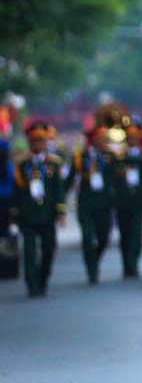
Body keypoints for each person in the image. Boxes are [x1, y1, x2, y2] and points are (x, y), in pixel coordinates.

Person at [14, 119, 67, 297]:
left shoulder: (54, 163)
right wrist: (14, 216)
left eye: (41, 141)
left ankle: (43, 278)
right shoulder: (21, 164)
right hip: (27, 214)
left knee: (48, 248)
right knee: (29, 252)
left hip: (47, 213)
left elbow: (58, 190)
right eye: (35, 141)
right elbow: (17, 191)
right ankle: (31, 284)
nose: (38, 144)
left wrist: (60, 212)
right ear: (30, 143)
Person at [72, 113, 123, 285]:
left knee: (103, 237)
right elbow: (70, 179)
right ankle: (91, 268)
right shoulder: (81, 157)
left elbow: (118, 179)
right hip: (86, 203)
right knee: (87, 236)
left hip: (104, 203)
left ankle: (95, 259)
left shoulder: (111, 157)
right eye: (100, 138)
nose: (104, 141)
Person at [111, 116, 142, 279]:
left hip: (139, 200)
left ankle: (133, 263)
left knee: (136, 232)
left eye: (136, 137)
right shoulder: (118, 157)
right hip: (123, 200)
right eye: (130, 137)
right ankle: (127, 264)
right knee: (125, 233)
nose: (133, 140)